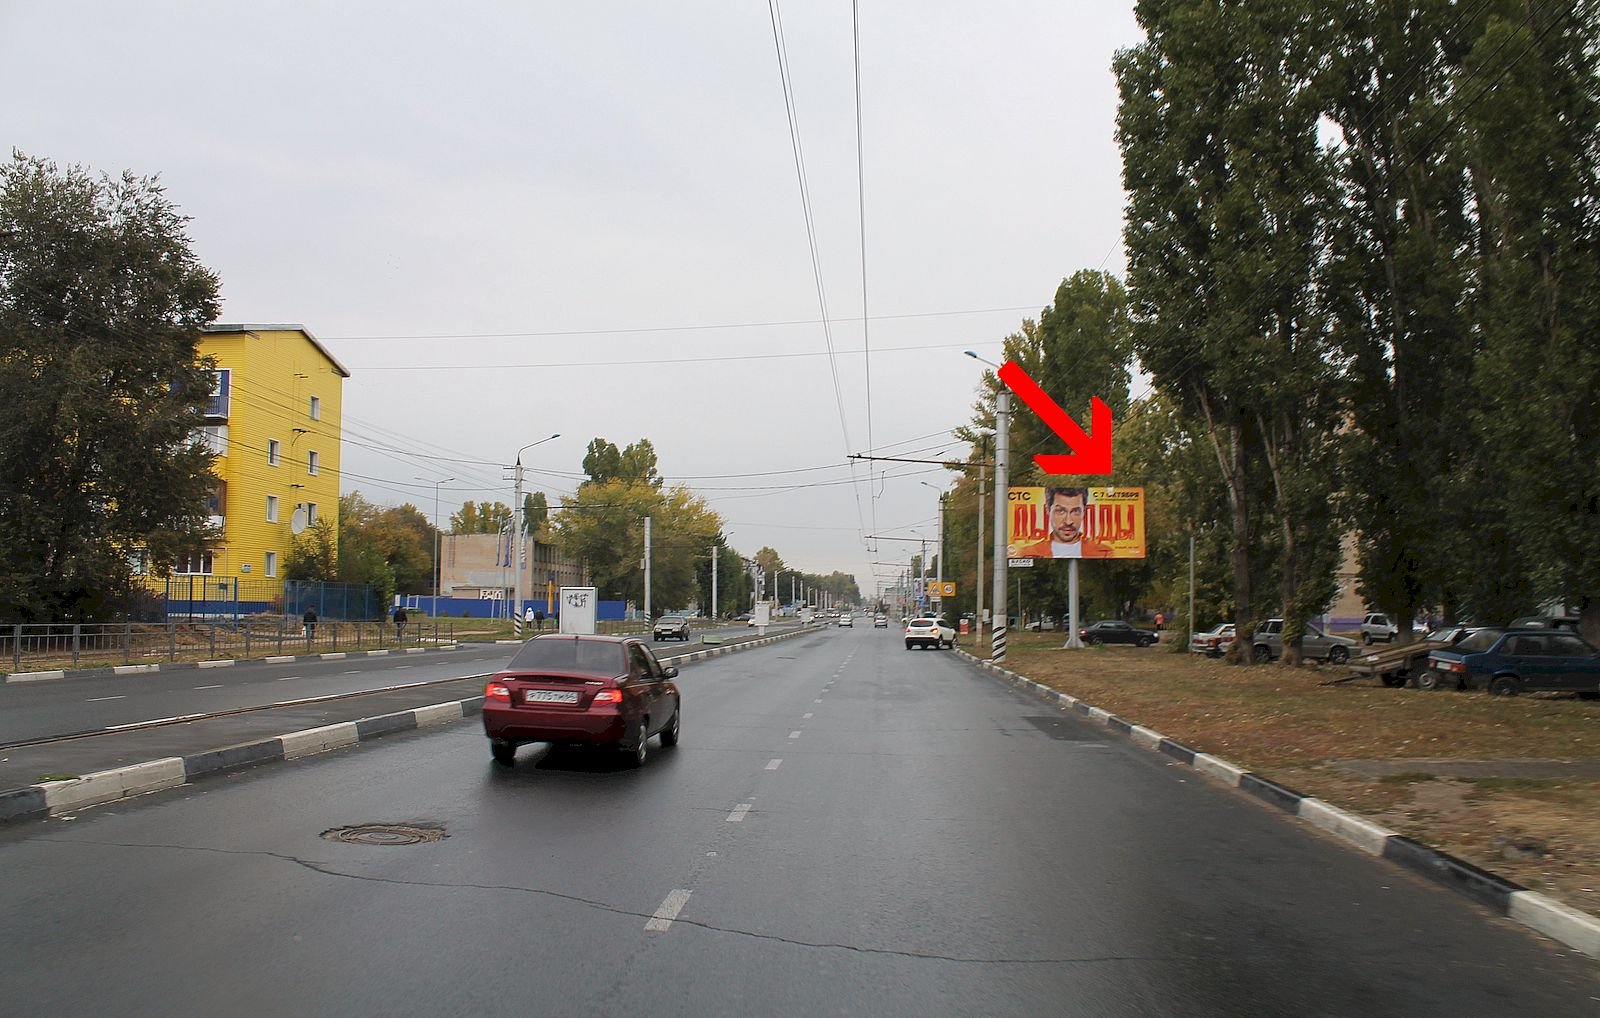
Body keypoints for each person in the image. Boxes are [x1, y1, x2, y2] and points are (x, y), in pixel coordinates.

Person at [1012, 487, 1114, 559]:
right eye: (1061, 511)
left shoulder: (1105, 552)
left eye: (1075, 511)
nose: (1068, 521)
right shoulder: (1029, 553)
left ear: (1084, 511)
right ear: (1047, 510)